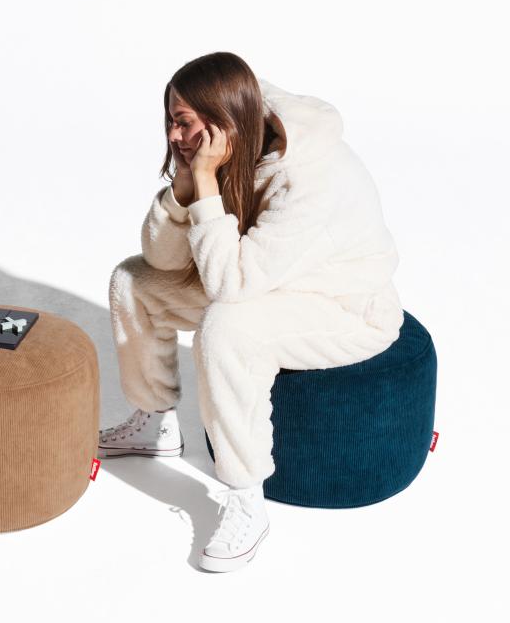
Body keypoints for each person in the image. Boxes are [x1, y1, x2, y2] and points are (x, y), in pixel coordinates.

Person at [98, 52, 402, 571]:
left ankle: (246, 499)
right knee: (134, 283)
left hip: (345, 307)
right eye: (170, 119)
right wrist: (185, 189)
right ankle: (155, 423)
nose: (173, 135)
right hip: (270, 281)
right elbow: (161, 261)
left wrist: (207, 183)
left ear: (222, 122)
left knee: (227, 328)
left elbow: (229, 286)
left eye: (183, 122)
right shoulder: (236, 133)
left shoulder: (311, 178)